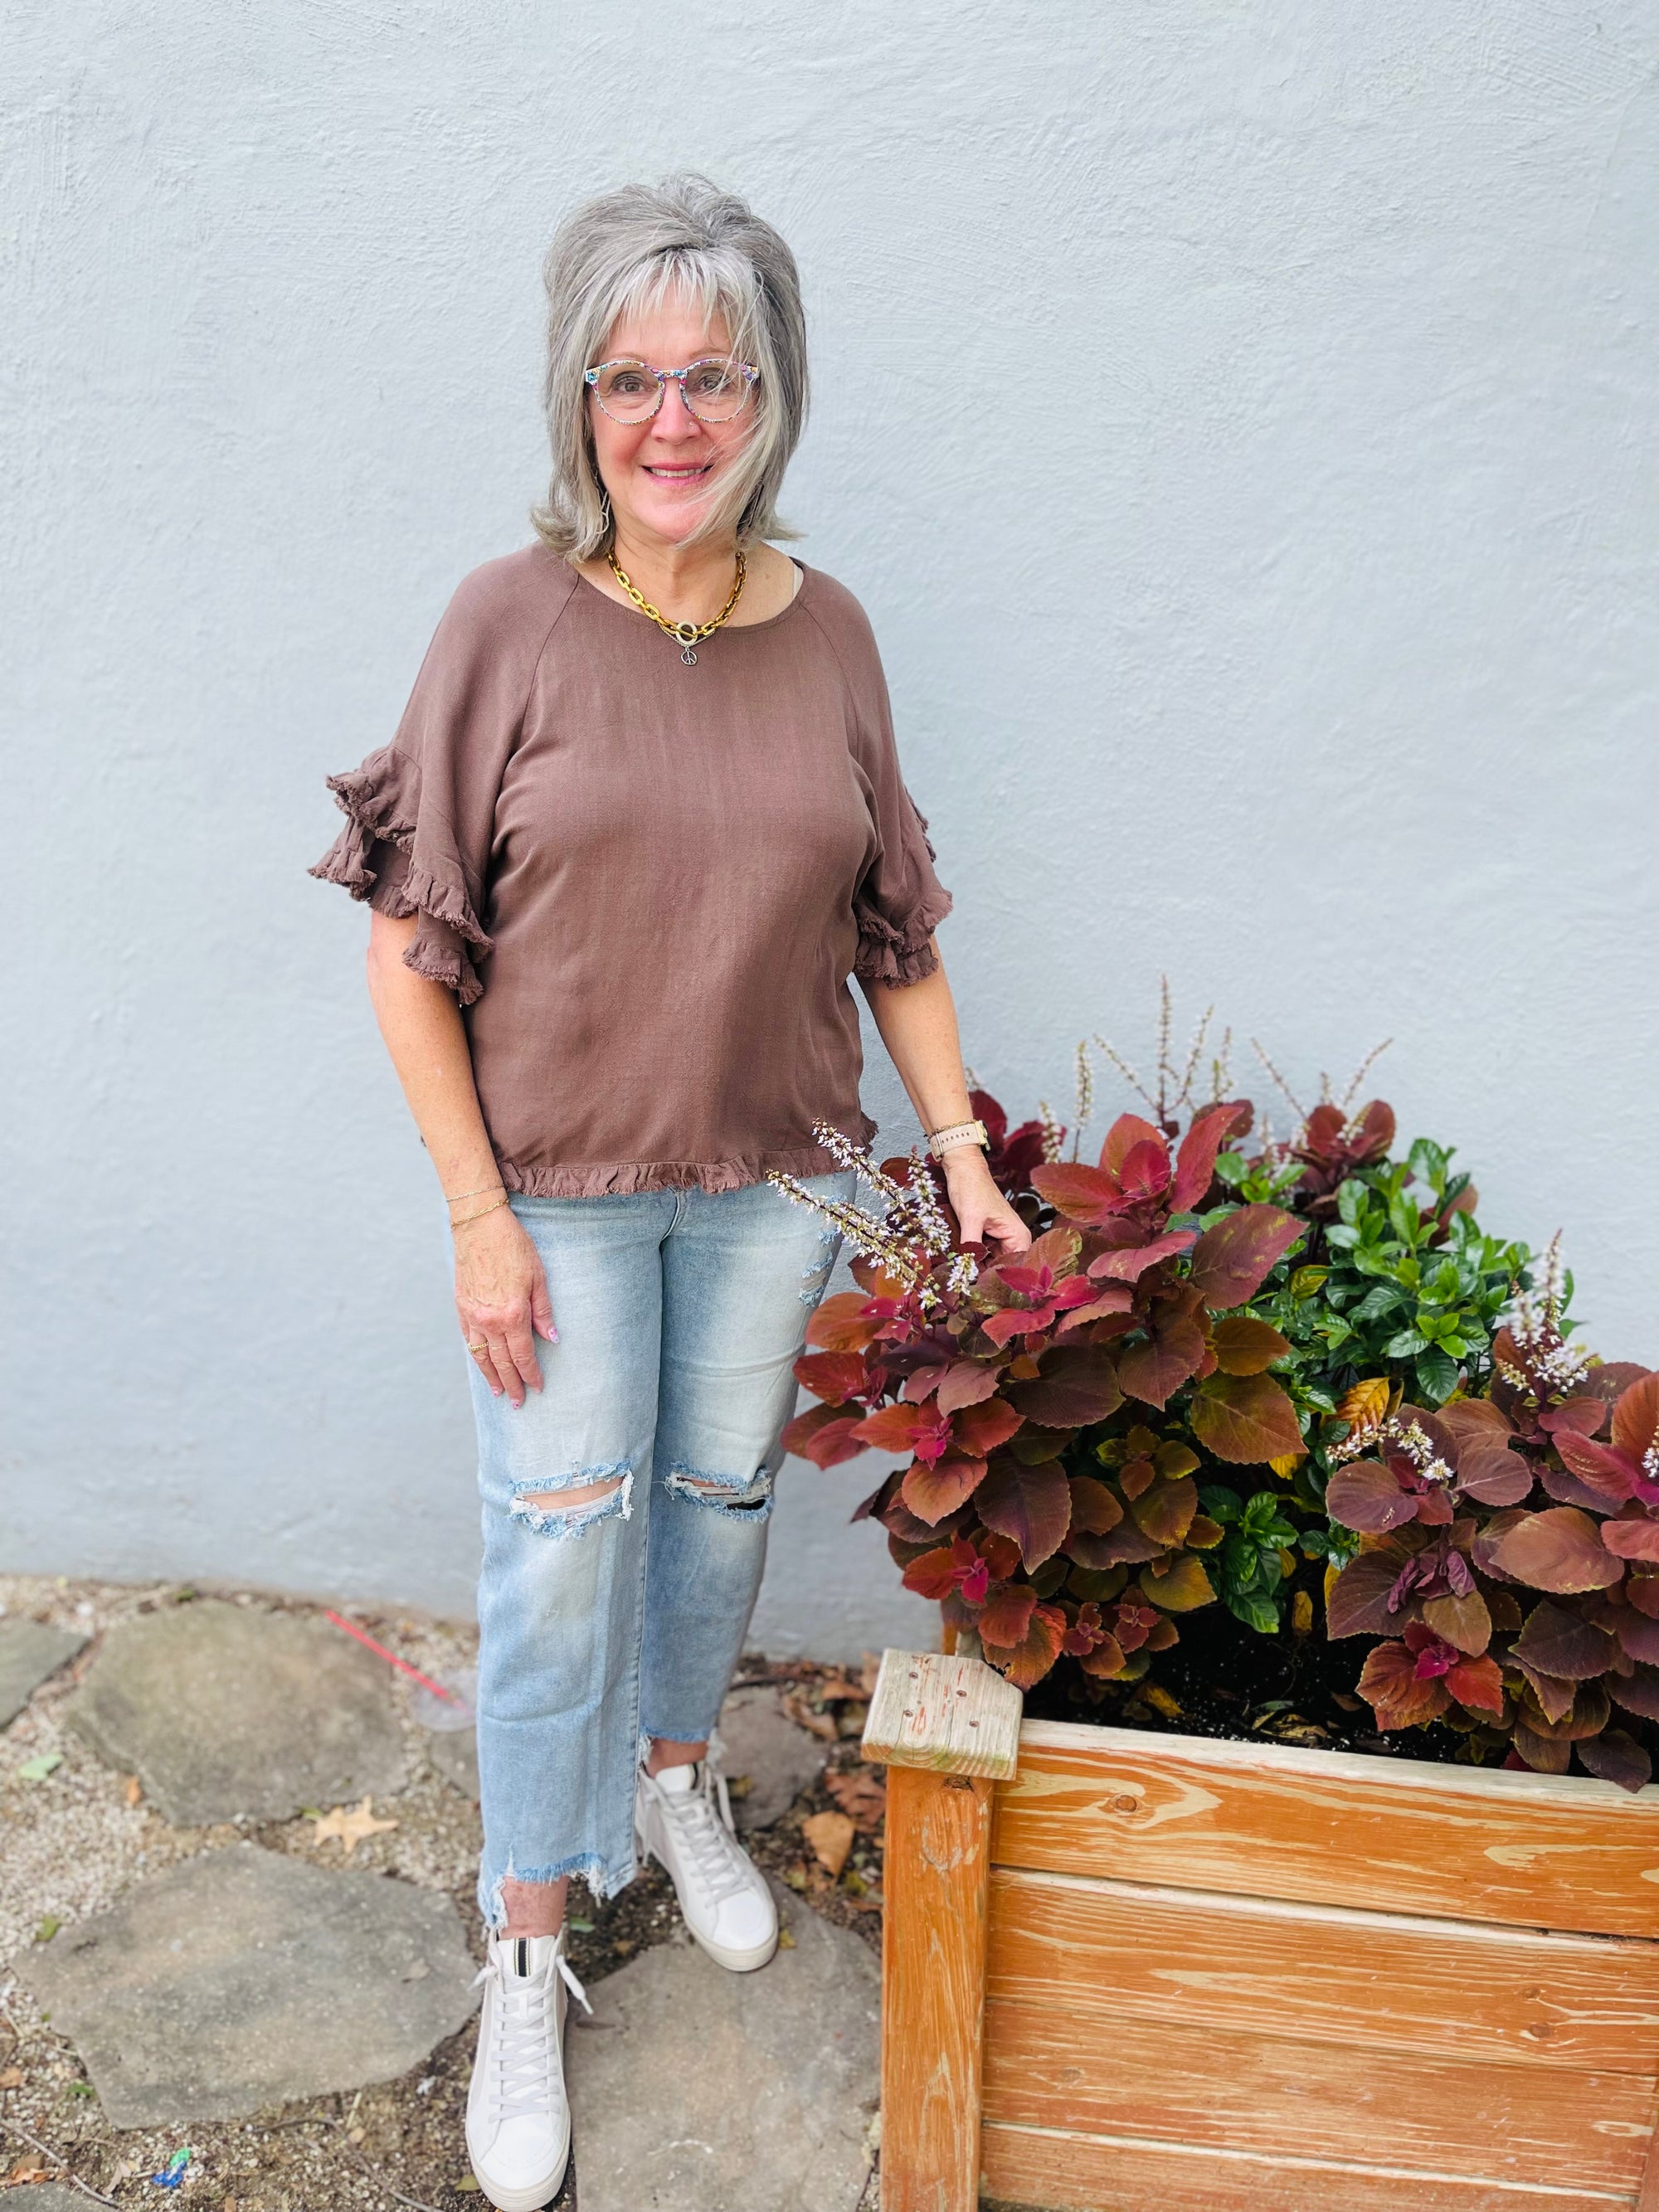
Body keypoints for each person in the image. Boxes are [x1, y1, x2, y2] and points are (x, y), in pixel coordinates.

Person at [311, 173, 1029, 2212]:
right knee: (553, 1552)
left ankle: (674, 1777)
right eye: (631, 379)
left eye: (714, 374)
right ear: (579, 401)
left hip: (777, 1176)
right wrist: (474, 1214)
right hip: (553, 1191)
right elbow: (404, 943)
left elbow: (893, 929)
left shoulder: (834, 634)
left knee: (718, 1511)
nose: (673, 420)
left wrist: (960, 1153)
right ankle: (528, 1935)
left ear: (770, 393)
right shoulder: (505, 622)